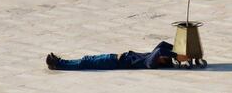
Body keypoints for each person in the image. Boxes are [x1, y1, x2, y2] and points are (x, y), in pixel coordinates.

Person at [46, 41, 177, 70]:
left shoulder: (149, 62)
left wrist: (176, 56)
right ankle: (59, 62)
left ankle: (57, 64)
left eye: (164, 58)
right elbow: (161, 46)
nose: (162, 56)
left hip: (112, 62)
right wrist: (179, 50)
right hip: (113, 57)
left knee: (85, 62)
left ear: (161, 61)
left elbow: (159, 52)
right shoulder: (150, 56)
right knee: (86, 59)